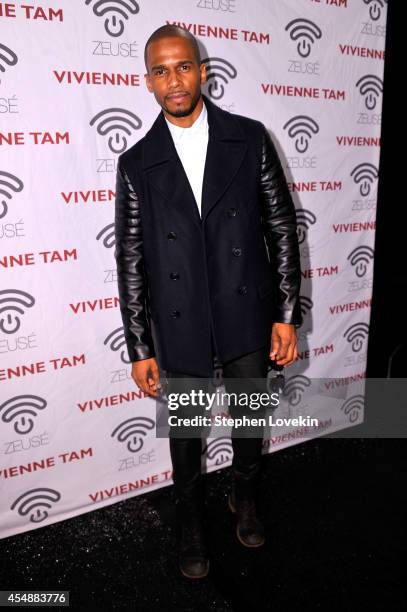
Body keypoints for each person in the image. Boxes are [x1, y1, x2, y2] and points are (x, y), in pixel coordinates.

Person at [114, 24, 302, 579]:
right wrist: (140, 345)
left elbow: (282, 228)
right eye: (161, 70)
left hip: (246, 311)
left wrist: (286, 314)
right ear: (147, 81)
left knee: (249, 423)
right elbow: (130, 259)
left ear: (202, 70)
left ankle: (244, 498)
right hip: (181, 323)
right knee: (187, 437)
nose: (174, 80)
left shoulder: (249, 137)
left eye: (183, 67)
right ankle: (191, 519)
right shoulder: (136, 163)